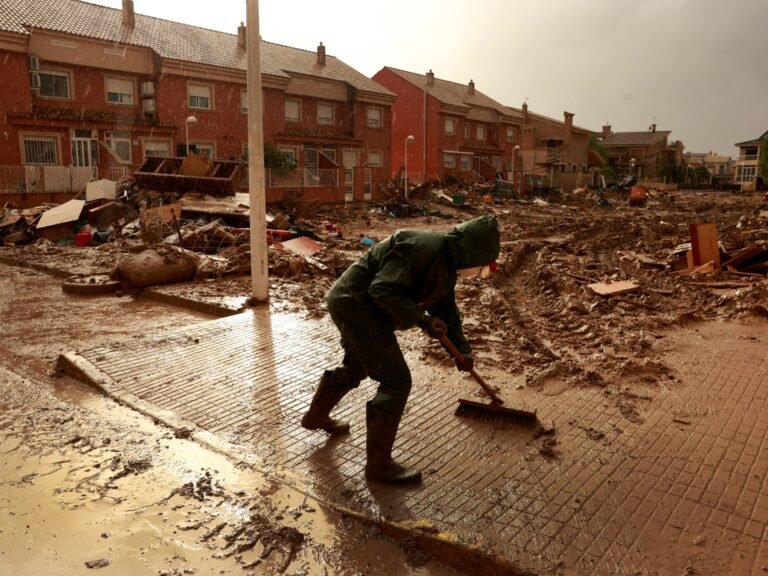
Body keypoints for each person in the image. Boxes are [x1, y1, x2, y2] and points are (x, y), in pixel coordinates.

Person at [300, 215, 501, 484]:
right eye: (480, 265)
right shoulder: (422, 247)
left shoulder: (446, 266)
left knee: (357, 364)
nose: (476, 271)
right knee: (396, 381)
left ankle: (316, 416)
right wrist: (422, 319)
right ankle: (379, 467)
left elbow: (447, 313)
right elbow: (382, 289)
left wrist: (462, 351)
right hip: (355, 304)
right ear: (471, 251)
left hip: (364, 308)